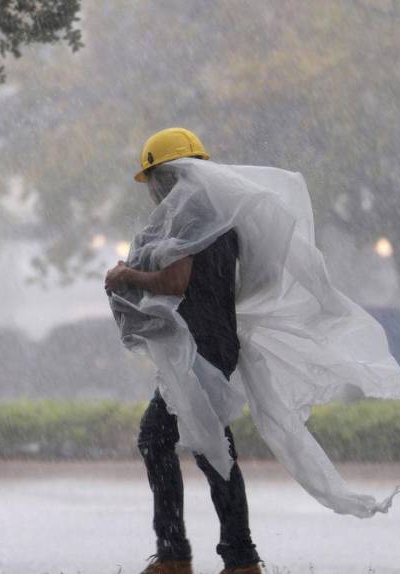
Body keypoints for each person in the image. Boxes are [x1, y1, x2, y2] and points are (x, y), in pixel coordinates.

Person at [104, 127, 263, 574]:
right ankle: (234, 557)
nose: (153, 191)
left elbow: (175, 283)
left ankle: (189, 556)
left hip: (198, 348)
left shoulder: (190, 218)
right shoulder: (216, 215)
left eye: (154, 180)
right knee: (211, 448)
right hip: (210, 343)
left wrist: (127, 277)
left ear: (167, 176)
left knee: (168, 442)